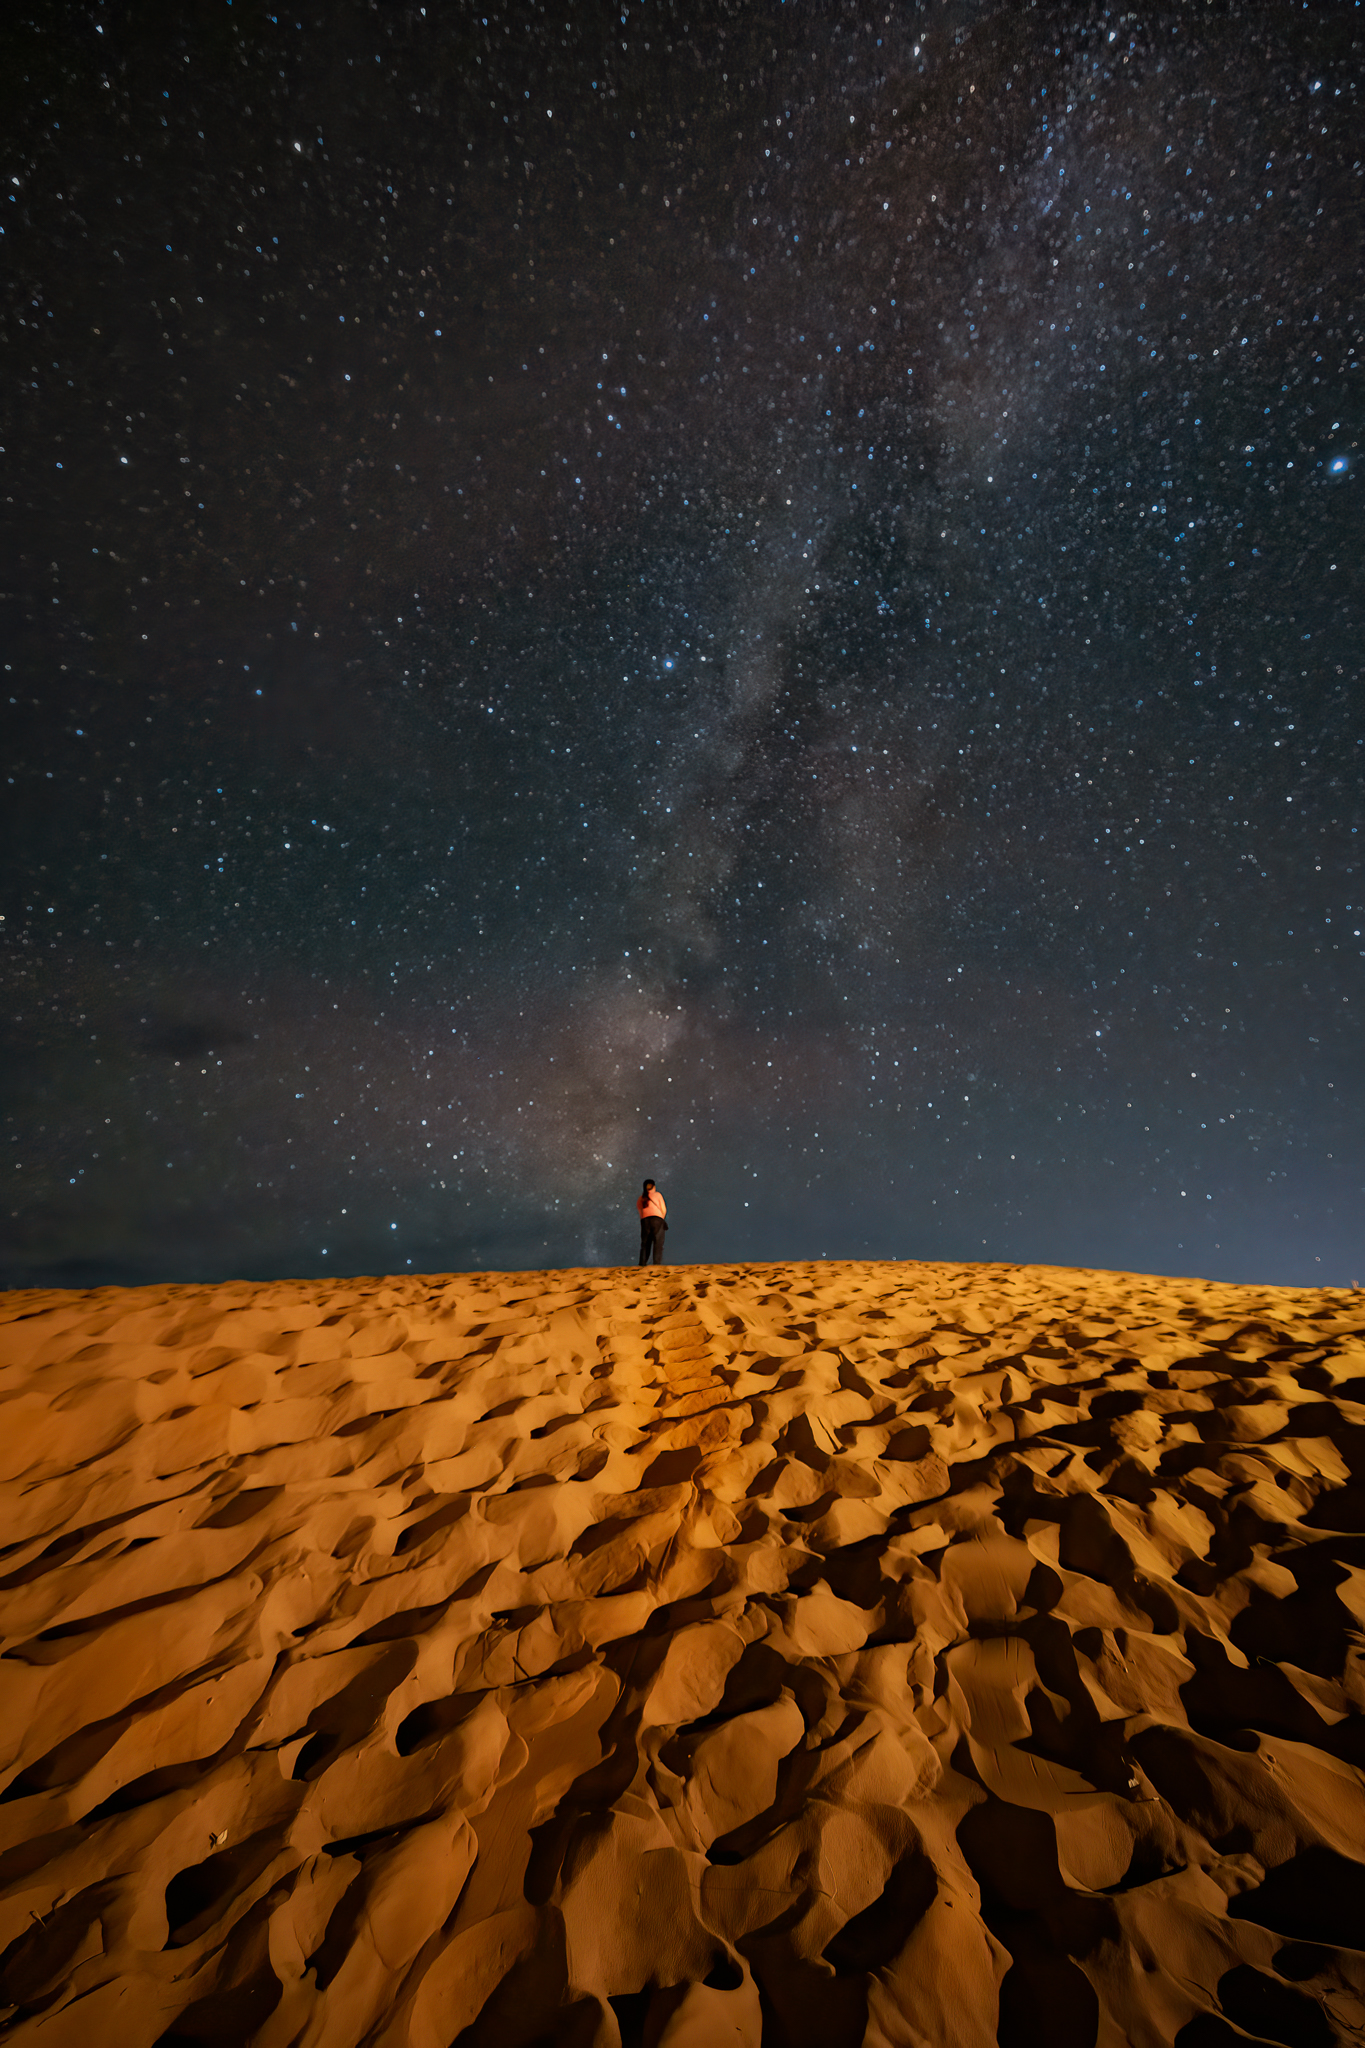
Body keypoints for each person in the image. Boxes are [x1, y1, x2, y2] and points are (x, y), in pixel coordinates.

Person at [637, 1178, 667, 1265]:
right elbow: (663, 1209)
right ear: (653, 1186)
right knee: (658, 1242)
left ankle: (642, 1263)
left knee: (645, 1243)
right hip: (657, 1219)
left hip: (645, 1220)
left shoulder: (641, 1198)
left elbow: (640, 1210)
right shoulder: (657, 1195)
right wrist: (662, 1219)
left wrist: (643, 1219)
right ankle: (656, 1263)